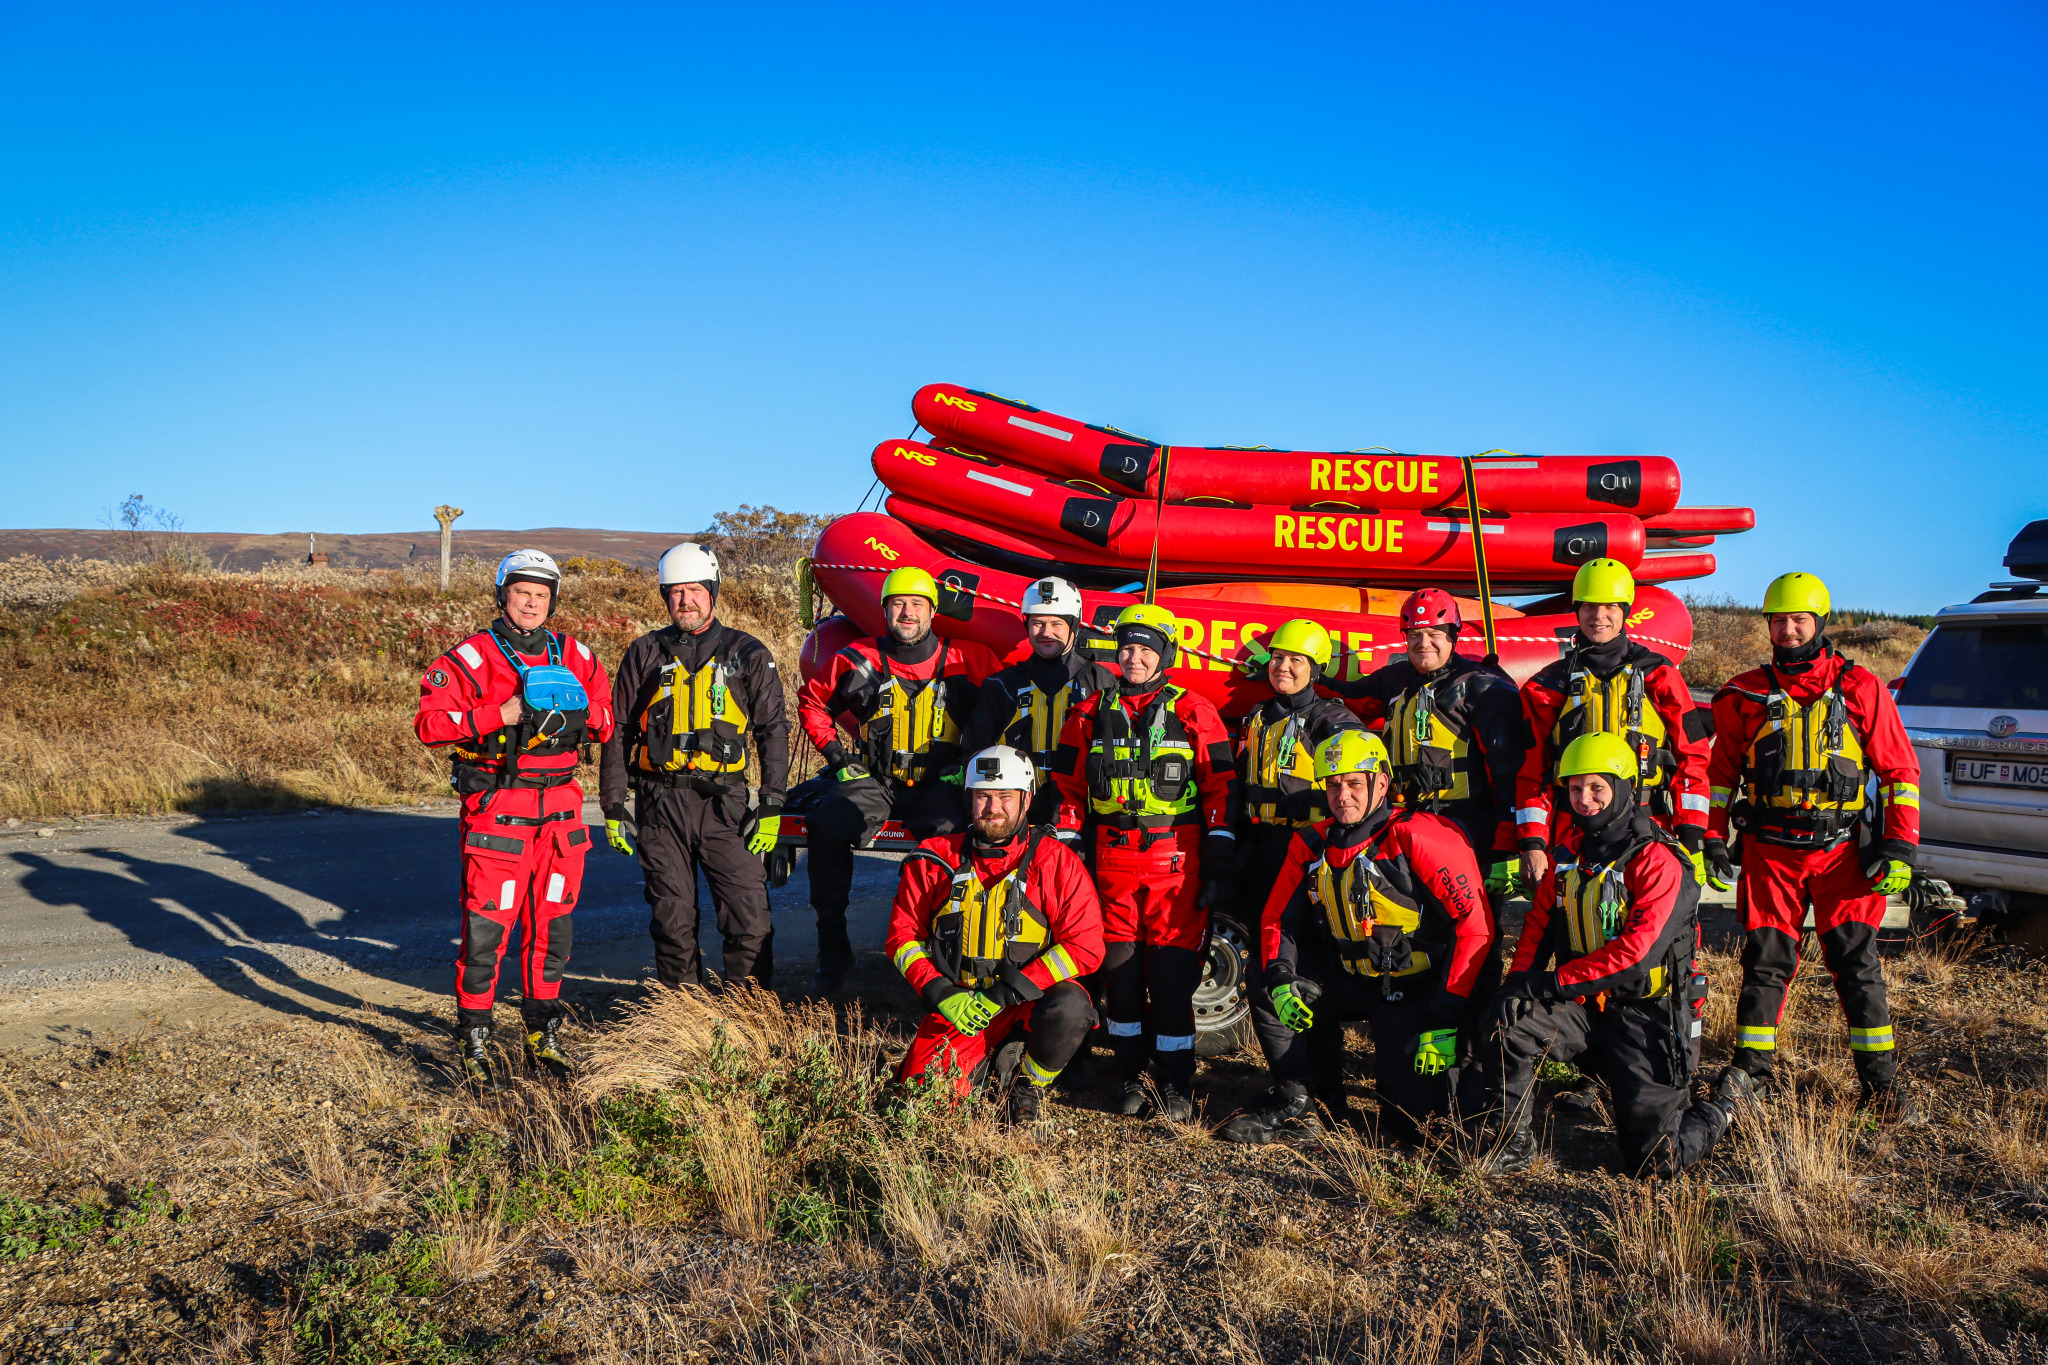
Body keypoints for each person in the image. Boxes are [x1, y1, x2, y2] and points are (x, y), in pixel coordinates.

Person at [1703, 572, 1923, 1116]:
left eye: (1800, 619)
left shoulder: (1861, 688)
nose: (1790, 629)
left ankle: (1882, 1087)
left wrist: (1899, 848)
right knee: (1764, 962)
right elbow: (1719, 777)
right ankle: (1753, 1073)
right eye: (1780, 620)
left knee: (1856, 964)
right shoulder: (1741, 694)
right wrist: (1710, 839)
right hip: (1770, 850)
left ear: (1820, 623)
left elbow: (1900, 772)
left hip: (1841, 851)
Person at [1475, 733, 1741, 1176]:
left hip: (1650, 1015)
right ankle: (1512, 1143)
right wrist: (1518, 984)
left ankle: (1726, 1105)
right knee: (1509, 1020)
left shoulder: (1658, 861)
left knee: (1655, 1163)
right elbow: (1537, 931)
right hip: (1587, 1008)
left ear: (1625, 790)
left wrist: (1551, 983)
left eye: (1597, 788)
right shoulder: (1567, 859)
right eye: (1575, 789)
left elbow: (1636, 954)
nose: (1584, 800)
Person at [1222, 731, 1495, 1145]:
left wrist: (1445, 1017)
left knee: (1413, 1126)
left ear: (1380, 784)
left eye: (1354, 783)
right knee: (1266, 981)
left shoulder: (1418, 835)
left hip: (1417, 990)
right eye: (1333, 784)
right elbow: (1278, 918)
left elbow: (1475, 929)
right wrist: (1280, 977)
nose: (1342, 795)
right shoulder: (1311, 842)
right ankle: (1305, 1105)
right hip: (1353, 978)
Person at [413, 549, 615, 1083]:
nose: (531, 603)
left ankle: (541, 1032)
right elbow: (429, 726)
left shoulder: (577, 654)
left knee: (554, 926)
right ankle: (474, 1036)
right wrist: (495, 715)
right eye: (523, 592)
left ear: (552, 601)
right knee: (486, 929)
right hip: (500, 809)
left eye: (542, 595)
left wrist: (583, 713)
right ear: (503, 594)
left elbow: (607, 722)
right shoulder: (470, 657)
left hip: (563, 811)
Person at [1050, 602, 1238, 1121]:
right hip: (1111, 860)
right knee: (1123, 979)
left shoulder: (1195, 711)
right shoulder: (1087, 713)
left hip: (1177, 861)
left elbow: (1220, 783)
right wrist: (1067, 849)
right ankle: (1131, 1071)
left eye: (1145, 650)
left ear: (1164, 655)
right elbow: (1067, 788)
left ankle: (1176, 1080)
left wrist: (1220, 846)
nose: (1134, 658)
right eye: (1127, 648)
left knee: (1174, 982)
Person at [796, 566, 1001, 994]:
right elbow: (813, 703)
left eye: (917, 604)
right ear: (885, 609)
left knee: (953, 840)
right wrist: (836, 757)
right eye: (898, 604)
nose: (907, 613)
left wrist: (972, 763)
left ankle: (944, 948)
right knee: (828, 825)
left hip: (941, 784)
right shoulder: (857, 658)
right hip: (876, 779)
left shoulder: (969, 659)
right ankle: (832, 947)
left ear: (932, 611)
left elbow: (1005, 712)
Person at [599, 542, 787, 991]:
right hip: (658, 802)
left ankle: (748, 1014)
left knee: (748, 916)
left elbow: (772, 731)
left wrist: (773, 802)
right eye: (676, 592)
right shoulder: (644, 653)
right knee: (672, 919)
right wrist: (612, 804)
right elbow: (617, 728)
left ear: (713, 591)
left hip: (726, 805)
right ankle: (683, 1017)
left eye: (694, 590)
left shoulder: (748, 653)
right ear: (665, 597)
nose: (685, 600)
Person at [886, 746, 1107, 1122]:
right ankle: (988, 1065)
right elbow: (900, 938)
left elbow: (1086, 947)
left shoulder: (1055, 861)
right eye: (983, 796)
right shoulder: (935, 859)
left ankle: (1026, 1086)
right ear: (969, 799)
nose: (993, 808)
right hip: (962, 1004)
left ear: (1026, 801)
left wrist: (1007, 992)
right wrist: (941, 994)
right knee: (921, 1111)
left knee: (1071, 1009)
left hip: (1025, 1001)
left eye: (1005, 796)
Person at [1515, 558, 1713, 889]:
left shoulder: (1660, 675)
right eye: (1590, 606)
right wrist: (1532, 842)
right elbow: (1530, 769)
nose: (1599, 616)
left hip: (1647, 821)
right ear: (1577, 610)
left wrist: (1692, 834)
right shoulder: (1547, 685)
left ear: (1626, 610)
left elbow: (1692, 757)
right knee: (1571, 924)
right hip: (1573, 828)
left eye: (1610, 606)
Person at [1337, 589, 1528, 877]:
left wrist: (1507, 844)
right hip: (1405, 820)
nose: (1423, 643)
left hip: (1466, 826)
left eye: (1434, 633)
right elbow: (1349, 696)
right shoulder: (1395, 679)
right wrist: (1299, 673)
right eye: (1414, 634)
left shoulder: (1483, 688)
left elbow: (1509, 769)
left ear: (1453, 635)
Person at [1228, 619, 1365, 903]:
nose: (1283, 666)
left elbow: (1362, 787)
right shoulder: (1258, 716)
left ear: (1315, 670)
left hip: (1307, 848)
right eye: (1277, 658)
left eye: (1296, 660)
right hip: (1256, 845)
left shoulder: (1331, 720)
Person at [962, 577, 1117, 828]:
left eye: (1056, 623)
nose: (1046, 632)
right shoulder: (1001, 685)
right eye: (1037, 623)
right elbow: (975, 751)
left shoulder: (1101, 681)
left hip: (1081, 808)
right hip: (1015, 809)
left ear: (1073, 625)